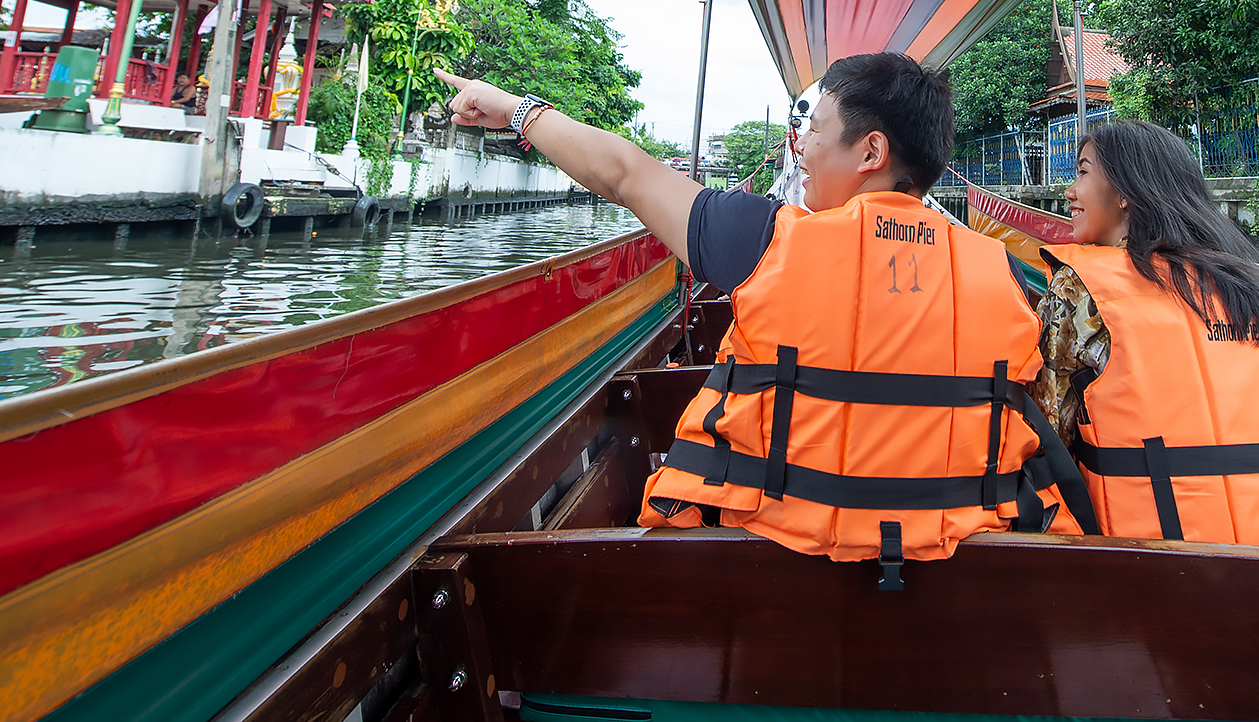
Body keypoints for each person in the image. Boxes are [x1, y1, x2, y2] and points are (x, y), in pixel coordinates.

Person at [437, 54, 1092, 567]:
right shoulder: (1002, 274)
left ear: (870, 151)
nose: (799, 149)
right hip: (963, 598)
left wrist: (515, 109)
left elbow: (625, 174)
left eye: (815, 130)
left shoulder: (762, 237)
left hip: (757, 583)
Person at [1034, 121, 1259, 547]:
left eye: (1082, 172)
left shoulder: (1080, 288)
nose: (1069, 191)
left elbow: (1049, 435)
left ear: (1124, 193)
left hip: (1154, 561)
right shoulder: (1254, 290)